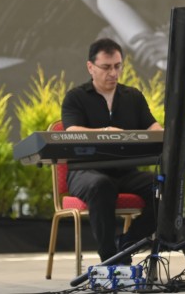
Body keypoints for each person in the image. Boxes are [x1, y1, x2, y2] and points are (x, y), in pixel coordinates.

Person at [61, 38, 163, 263]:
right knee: (101, 185)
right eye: (106, 67)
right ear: (91, 67)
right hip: (85, 171)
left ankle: (127, 243)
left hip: (125, 171)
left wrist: (164, 133)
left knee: (165, 186)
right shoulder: (76, 97)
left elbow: (153, 128)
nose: (114, 73)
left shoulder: (133, 97)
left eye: (118, 66)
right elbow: (72, 130)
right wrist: (105, 131)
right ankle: (109, 259)